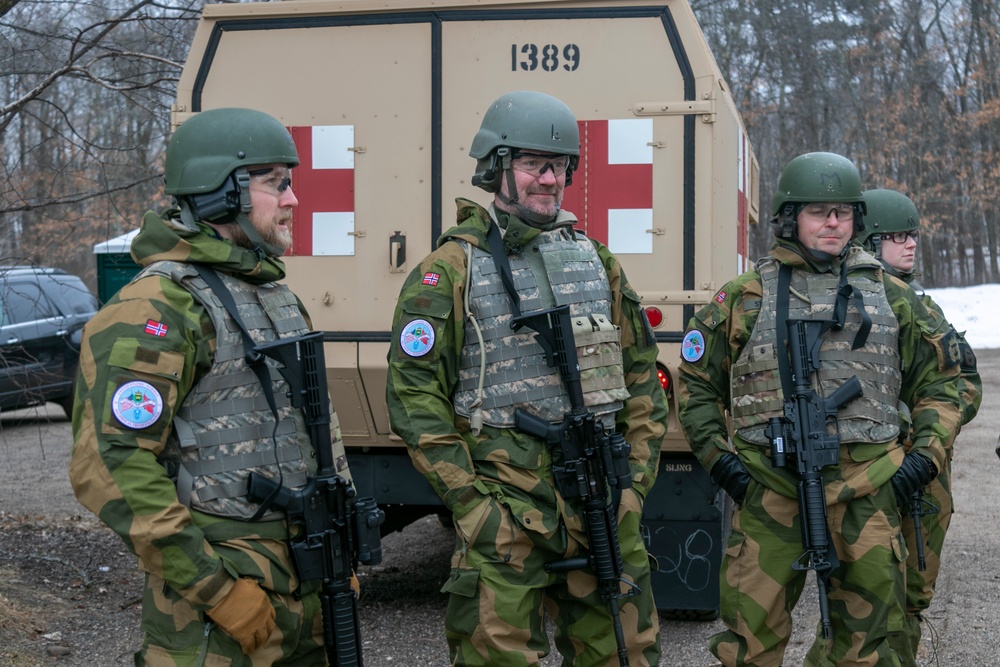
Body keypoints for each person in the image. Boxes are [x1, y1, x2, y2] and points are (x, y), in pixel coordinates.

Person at [386, 90, 666, 666]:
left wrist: (634, 485)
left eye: (560, 166)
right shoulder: (449, 271)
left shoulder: (596, 260)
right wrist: (472, 507)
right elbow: (416, 401)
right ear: (496, 167)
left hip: (602, 504)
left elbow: (640, 376)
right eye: (534, 164)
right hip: (506, 514)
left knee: (625, 653)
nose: (550, 179)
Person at [69, 107, 355, 666]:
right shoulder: (156, 306)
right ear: (220, 192)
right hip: (219, 607)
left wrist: (339, 560)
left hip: (308, 582)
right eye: (277, 184)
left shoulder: (272, 296)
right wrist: (216, 591)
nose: (293, 201)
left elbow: (315, 436)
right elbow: (110, 463)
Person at [677, 152, 964, 667]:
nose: (833, 223)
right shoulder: (743, 298)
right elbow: (696, 388)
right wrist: (726, 468)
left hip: (868, 488)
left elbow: (945, 382)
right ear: (790, 218)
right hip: (770, 489)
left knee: (869, 646)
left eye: (843, 212)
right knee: (748, 645)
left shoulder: (893, 298)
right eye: (818, 211)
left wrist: (922, 460)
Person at [858, 188, 981, 664]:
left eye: (913, 235)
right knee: (871, 602)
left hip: (919, 471)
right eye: (897, 237)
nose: (910, 245)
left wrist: (929, 429)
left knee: (907, 599)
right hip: (870, 468)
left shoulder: (918, 302)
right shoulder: (864, 298)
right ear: (871, 241)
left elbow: (963, 384)